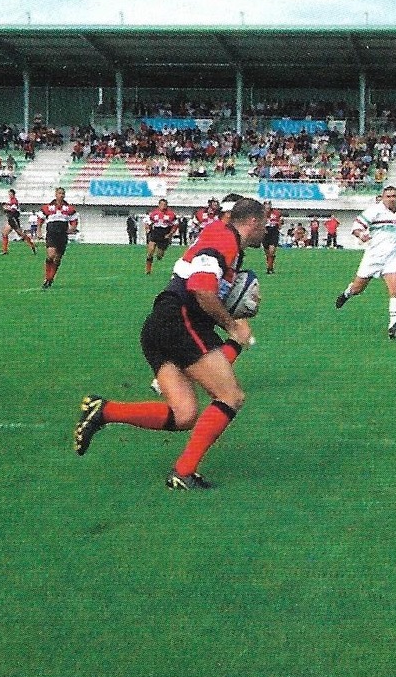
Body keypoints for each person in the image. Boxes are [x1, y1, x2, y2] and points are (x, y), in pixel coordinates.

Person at [74, 198, 268, 491]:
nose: (266, 230)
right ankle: (183, 472)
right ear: (253, 222)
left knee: (184, 414)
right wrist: (231, 325)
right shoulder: (224, 237)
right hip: (178, 321)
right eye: (264, 224)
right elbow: (201, 288)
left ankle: (104, 410)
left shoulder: (224, 240)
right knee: (230, 396)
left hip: (162, 324)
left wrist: (231, 323)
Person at [334, 184, 396, 340]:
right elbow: (356, 227)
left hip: (392, 259)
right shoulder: (374, 211)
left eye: (394, 196)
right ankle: (347, 293)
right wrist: (361, 235)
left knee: (395, 290)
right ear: (383, 198)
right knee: (358, 289)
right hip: (373, 257)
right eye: (388, 196)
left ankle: (393, 325)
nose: (391, 199)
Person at [40, 187, 78, 288]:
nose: (61, 195)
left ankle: (50, 278)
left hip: (62, 235)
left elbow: (74, 221)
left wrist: (71, 229)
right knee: (50, 256)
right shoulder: (48, 207)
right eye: (59, 193)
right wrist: (39, 231)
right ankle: (47, 277)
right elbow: (40, 219)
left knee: (57, 259)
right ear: (55, 194)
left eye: (63, 193)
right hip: (52, 234)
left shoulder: (69, 209)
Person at [144, 197, 180, 275]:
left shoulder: (171, 214)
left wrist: (170, 234)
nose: (163, 206)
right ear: (159, 205)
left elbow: (176, 225)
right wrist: (147, 229)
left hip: (165, 235)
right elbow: (148, 222)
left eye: (165, 204)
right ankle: (148, 270)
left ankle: (159, 254)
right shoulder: (154, 213)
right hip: (155, 233)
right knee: (150, 251)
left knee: (159, 256)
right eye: (162, 204)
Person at [0, 188, 34, 254]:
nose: (9, 195)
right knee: (4, 234)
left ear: (13, 194)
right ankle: (5, 250)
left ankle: (32, 245)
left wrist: (6, 208)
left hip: (14, 220)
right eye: (9, 194)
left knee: (21, 234)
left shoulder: (14, 201)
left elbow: (13, 210)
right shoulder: (10, 201)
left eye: (10, 194)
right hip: (10, 220)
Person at [261, 206, 283, 274]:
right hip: (265, 234)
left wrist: (279, 224)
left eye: (268, 205)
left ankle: (269, 268)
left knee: (271, 251)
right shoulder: (261, 214)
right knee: (267, 253)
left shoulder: (276, 213)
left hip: (274, 232)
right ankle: (270, 267)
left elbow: (281, 220)